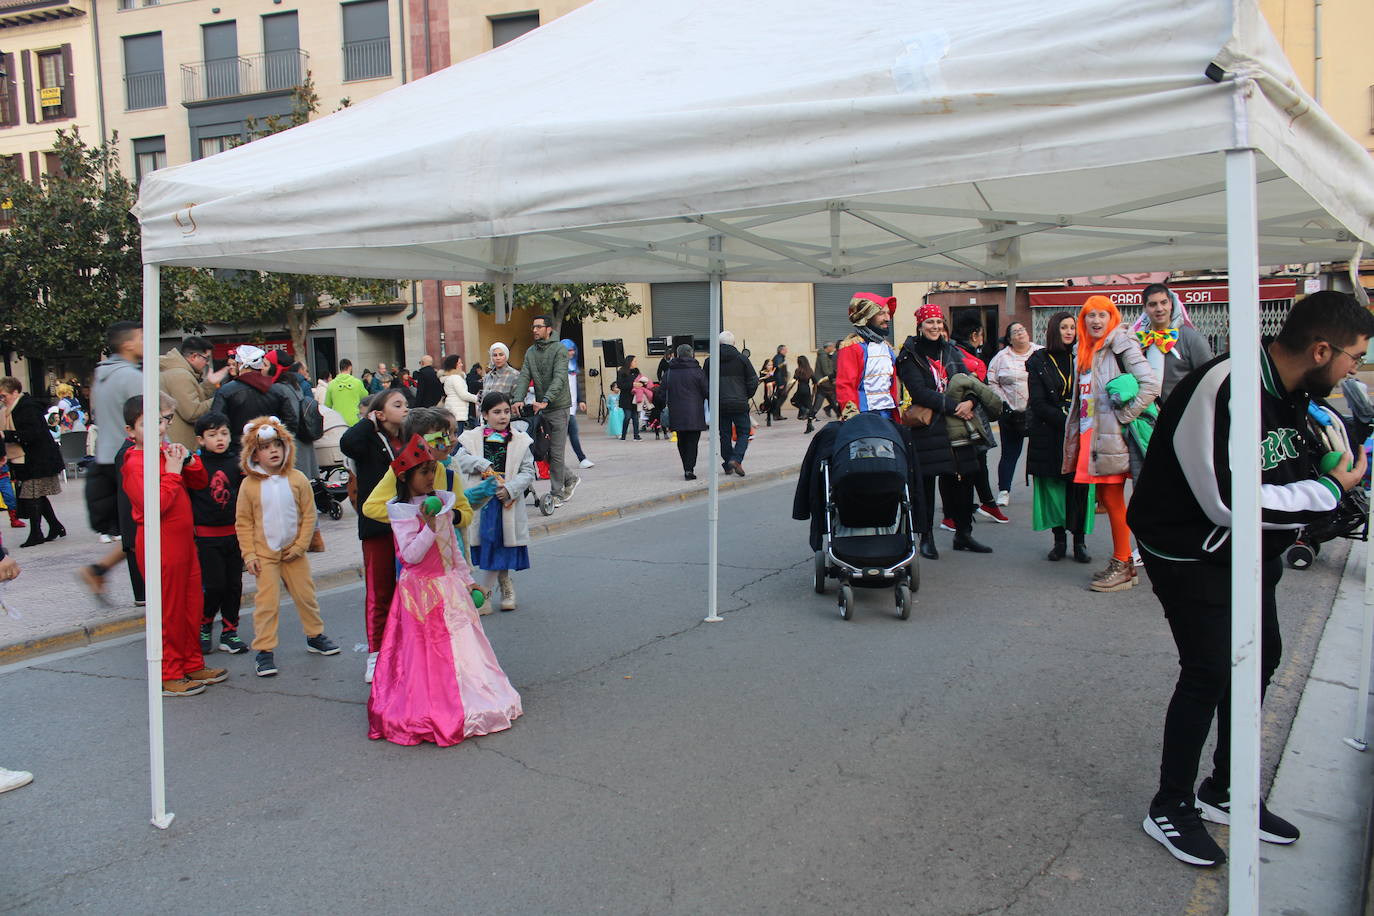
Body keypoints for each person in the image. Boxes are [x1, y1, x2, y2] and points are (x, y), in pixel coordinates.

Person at [1131, 289, 1373, 867]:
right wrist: (1330, 490)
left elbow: (1281, 469)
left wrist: (1327, 473)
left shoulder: (1294, 392)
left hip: (1248, 549)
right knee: (1211, 666)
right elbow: (1224, 499)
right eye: (1354, 357)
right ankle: (1170, 805)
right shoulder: (1226, 385)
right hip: (1189, 548)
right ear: (1321, 350)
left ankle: (1226, 788)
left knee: (1260, 657)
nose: (1355, 369)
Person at [366, 435, 522, 746]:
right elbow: (410, 556)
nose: (430, 477)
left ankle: (470, 697)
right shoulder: (400, 511)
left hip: (450, 589)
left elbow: (453, 550)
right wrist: (427, 523)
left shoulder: (442, 501)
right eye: (423, 472)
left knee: (465, 647)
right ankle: (430, 703)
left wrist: (468, 581)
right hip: (419, 595)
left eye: (432, 471)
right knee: (424, 654)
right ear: (406, 477)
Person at [121, 393, 226, 697]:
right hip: (160, 546)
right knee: (168, 611)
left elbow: (199, 481)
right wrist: (172, 472)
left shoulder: (164, 452)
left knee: (191, 605)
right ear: (132, 431)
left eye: (161, 421)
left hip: (183, 543)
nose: (158, 428)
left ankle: (192, 663)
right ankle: (169, 672)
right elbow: (155, 506)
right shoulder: (134, 462)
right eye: (147, 424)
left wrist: (187, 461)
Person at [1061, 295, 1159, 592]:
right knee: (1107, 498)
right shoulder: (1084, 348)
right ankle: (1123, 561)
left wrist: (1125, 415)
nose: (1096, 320)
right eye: (1091, 315)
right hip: (1092, 433)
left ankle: (1123, 563)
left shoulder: (1122, 344)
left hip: (1111, 435)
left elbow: (1151, 385)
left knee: (1113, 499)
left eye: (1103, 315)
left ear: (1112, 318)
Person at [235, 415, 339, 678]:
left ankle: (315, 635)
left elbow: (309, 514)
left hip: (295, 552)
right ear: (253, 454)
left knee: (306, 596)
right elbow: (243, 523)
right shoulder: (248, 485)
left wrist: (301, 545)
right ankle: (265, 650)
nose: (273, 451)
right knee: (266, 604)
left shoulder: (298, 478)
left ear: (286, 448)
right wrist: (249, 555)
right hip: (264, 555)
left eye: (277, 445)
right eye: (265, 447)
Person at [896, 303, 991, 557]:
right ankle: (925, 536)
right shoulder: (909, 354)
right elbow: (919, 391)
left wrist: (970, 400)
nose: (935, 327)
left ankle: (963, 533)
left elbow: (967, 379)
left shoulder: (950, 350)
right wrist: (953, 406)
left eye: (938, 322)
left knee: (962, 480)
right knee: (926, 484)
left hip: (957, 425)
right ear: (920, 326)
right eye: (930, 323)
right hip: (928, 426)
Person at [340, 389, 409, 680]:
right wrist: (368, 421)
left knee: (410, 591)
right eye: (397, 405)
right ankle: (376, 654)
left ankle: (407, 650)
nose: (405, 409)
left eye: (406, 404)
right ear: (379, 413)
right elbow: (347, 443)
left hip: (408, 524)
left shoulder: (408, 437)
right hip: (377, 526)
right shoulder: (367, 438)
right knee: (380, 591)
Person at [79, 321, 145, 602]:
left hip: (107, 459)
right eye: (141, 336)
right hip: (130, 459)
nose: (145, 340)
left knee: (134, 528)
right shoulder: (131, 377)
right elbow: (148, 418)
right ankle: (145, 592)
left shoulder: (101, 375)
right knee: (142, 527)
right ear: (128, 344)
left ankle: (100, 569)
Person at [458, 392, 536, 613]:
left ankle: (491, 591)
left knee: (502, 543)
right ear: (484, 414)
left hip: (505, 500)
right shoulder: (471, 439)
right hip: (482, 499)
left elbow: (528, 471)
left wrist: (510, 489)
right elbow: (460, 460)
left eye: (506, 412)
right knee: (488, 544)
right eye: (496, 412)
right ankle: (501, 585)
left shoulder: (521, 440)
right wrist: (481, 464)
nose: (503, 417)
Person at [1025, 312, 1094, 563]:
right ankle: (1059, 541)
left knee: (1079, 488)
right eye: (1064, 327)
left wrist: (1079, 423)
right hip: (1051, 433)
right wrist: (1067, 421)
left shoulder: (1085, 356)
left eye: (1073, 327)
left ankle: (1080, 542)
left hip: (1081, 433)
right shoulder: (1038, 360)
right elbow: (1038, 402)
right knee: (1054, 489)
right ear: (1054, 330)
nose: (1069, 332)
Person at [190, 411, 247, 656]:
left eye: (223, 433)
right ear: (201, 440)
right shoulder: (194, 465)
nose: (219, 439)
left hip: (234, 534)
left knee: (234, 585)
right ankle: (204, 626)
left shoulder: (237, 463)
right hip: (206, 537)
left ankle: (229, 631)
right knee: (214, 586)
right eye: (212, 435)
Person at [514, 315, 579, 507]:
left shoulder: (559, 349)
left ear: (549, 329)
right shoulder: (531, 352)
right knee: (542, 451)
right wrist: (518, 398)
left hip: (558, 407)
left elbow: (560, 377)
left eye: (539, 327)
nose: (534, 330)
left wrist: (546, 400)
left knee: (556, 452)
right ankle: (570, 478)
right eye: (533, 326)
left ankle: (556, 493)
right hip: (541, 408)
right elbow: (525, 375)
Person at [948, 314, 1006, 525]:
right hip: (966, 416)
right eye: (980, 334)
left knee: (974, 463)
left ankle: (975, 506)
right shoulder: (962, 356)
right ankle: (978, 506)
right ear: (974, 335)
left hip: (968, 413)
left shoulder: (957, 351)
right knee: (971, 463)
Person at [0, 377, 66, 547]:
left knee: (32, 496)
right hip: (28, 459)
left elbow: (33, 434)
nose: (2, 399)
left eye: (4, 395)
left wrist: (6, 435)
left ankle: (36, 533)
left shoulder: (27, 407)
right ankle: (56, 526)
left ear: (15, 392)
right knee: (38, 496)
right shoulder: (13, 408)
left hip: (38, 459)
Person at [987, 321, 1041, 507]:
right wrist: (1004, 403)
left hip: (1038, 413)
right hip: (1011, 414)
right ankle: (1004, 490)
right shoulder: (1001, 358)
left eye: (1022, 330)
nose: (1020, 333)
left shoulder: (1039, 352)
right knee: (1010, 453)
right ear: (1009, 339)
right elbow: (992, 381)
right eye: (1015, 332)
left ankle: (1043, 490)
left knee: (1042, 452)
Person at [1131, 282, 1214, 404]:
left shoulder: (1192, 338)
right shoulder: (1137, 341)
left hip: (1181, 414)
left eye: (1163, 302)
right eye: (1153, 304)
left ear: (1171, 304)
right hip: (1145, 416)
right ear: (1145, 308)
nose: (1159, 309)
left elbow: (1208, 379)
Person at [211, 344, 293, 452]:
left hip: (238, 452)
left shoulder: (226, 390)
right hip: (271, 452)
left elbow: (215, 422)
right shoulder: (277, 390)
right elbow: (290, 422)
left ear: (242, 364)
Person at [159, 336, 228, 451]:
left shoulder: (175, 371)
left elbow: (192, 398)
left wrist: (209, 384)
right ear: (194, 357)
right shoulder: (180, 375)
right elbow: (192, 413)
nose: (207, 363)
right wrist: (221, 396)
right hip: (180, 446)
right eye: (206, 359)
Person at [706, 331, 758, 476]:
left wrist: (711, 398)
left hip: (720, 404)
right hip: (739, 403)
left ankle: (728, 462)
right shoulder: (742, 359)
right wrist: (746, 395)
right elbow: (753, 380)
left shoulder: (711, 361)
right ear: (734, 344)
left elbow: (705, 383)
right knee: (744, 432)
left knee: (725, 434)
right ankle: (736, 459)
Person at [663, 344, 709, 480]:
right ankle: (689, 468)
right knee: (692, 442)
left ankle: (686, 467)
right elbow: (707, 391)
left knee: (681, 441)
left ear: (677, 355)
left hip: (676, 412)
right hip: (695, 413)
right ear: (692, 354)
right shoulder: (698, 372)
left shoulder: (670, 372)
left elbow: (661, 392)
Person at [561, 339, 594, 469]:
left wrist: (581, 400)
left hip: (572, 407)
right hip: (562, 407)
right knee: (564, 436)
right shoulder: (558, 367)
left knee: (572, 433)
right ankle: (581, 458)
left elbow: (576, 385)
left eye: (573, 349)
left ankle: (582, 459)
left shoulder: (572, 366)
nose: (572, 352)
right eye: (569, 350)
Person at [325, 359, 368, 426]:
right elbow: (366, 399)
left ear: (340, 368)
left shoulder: (331, 384)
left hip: (338, 422)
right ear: (350, 367)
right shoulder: (357, 383)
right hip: (355, 421)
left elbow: (327, 406)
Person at [441, 354, 479, 430]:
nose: (462, 365)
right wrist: (477, 399)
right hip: (457, 412)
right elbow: (463, 395)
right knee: (458, 436)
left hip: (453, 409)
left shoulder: (449, 377)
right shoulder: (456, 378)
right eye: (459, 363)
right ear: (454, 365)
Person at [615, 356, 647, 441]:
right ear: (629, 362)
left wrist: (642, 384)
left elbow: (641, 382)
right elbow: (620, 385)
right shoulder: (621, 371)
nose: (636, 363)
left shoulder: (637, 372)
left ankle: (636, 436)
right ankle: (623, 435)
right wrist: (632, 384)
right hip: (626, 398)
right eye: (635, 361)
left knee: (635, 417)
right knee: (627, 416)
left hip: (636, 398)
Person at [809, 341, 839, 420]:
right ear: (828, 347)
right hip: (824, 381)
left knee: (825, 397)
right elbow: (826, 370)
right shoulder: (823, 356)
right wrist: (832, 377)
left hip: (823, 381)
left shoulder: (825, 355)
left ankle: (813, 414)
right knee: (832, 396)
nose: (833, 348)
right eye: (832, 346)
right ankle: (837, 413)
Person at [791, 355, 815, 432]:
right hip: (807, 390)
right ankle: (809, 426)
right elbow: (815, 381)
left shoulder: (797, 370)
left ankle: (803, 409)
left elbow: (793, 380)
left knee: (793, 401)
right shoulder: (810, 370)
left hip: (800, 389)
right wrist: (814, 392)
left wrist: (787, 389)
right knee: (809, 407)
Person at [770, 345, 790, 420]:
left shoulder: (780, 357)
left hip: (780, 381)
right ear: (781, 350)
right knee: (782, 397)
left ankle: (777, 414)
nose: (786, 351)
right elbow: (778, 372)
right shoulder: (779, 358)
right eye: (785, 349)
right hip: (780, 381)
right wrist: (780, 383)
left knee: (779, 398)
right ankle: (775, 413)